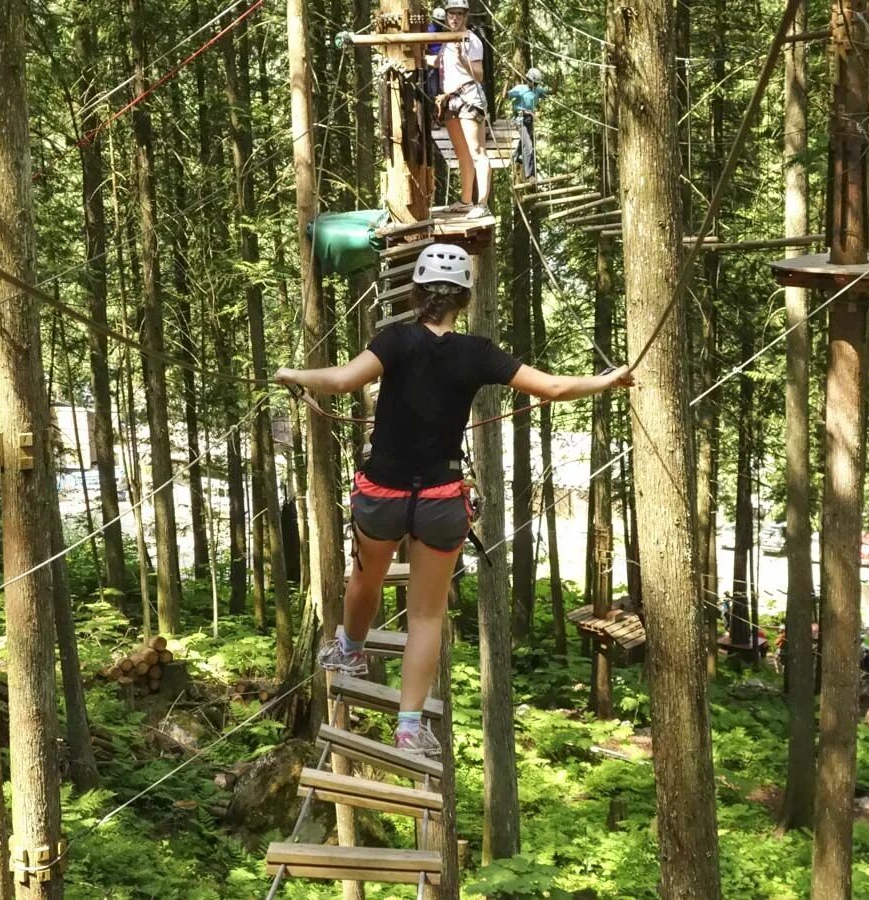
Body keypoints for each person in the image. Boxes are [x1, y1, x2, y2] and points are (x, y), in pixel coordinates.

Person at [275, 243, 634, 756]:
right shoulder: (478, 352)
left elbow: (342, 380)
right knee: (425, 616)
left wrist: (295, 376)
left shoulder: (395, 340)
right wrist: (606, 381)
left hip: (382, 492)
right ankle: (408, 726)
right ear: (464, 298)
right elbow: (551, 388)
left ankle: (350, 650)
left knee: (366, 578)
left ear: (418, 292)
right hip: (442, 499)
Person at [436, 0, 492, 220]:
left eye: (459, 14)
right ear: (447, 15)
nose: (455, 18)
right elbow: (439, 63)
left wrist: (461, 56)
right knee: (462, 153)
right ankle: (466, 200)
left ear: (465, 16)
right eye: (452, 14)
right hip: (451, 101)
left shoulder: (472, 40)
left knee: (477, 151)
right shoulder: (445, 41)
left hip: (469, 98)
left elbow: (478, 74)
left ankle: (482, 203)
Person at [507, 67, 548, 181]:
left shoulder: (537, 90)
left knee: (524, 143)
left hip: (529, 120)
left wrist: (556, 81)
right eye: (534, 83)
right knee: (529, 146)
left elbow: (551, 92)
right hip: (519, 119)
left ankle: (515, 156)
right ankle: (529, 175)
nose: (535, 85)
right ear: (529, 80)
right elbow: (505, 96)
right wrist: (507, 81)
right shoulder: (520, 89)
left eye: (536, 84)